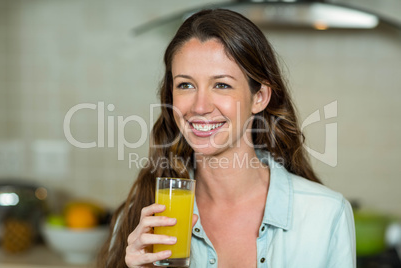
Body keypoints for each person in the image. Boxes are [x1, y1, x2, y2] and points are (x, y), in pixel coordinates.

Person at [98, 9, 356, 268]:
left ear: (259, 97)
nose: (199, 107)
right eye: (185, 85)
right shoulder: (139, 219)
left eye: (221, 85)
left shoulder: (327, 215)